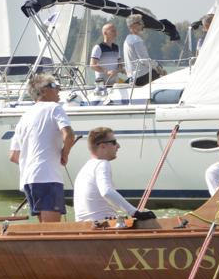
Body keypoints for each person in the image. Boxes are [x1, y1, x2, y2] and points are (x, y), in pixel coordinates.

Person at [8, 73, 76, 222]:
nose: (58, 89)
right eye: (54, 85)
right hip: (47, 178)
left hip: (28, 180)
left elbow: (13, 156)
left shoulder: (24, 116)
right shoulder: (54, 108)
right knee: (52, 231)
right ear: (43, 91)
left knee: (44, 229)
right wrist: (65, 154)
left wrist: (35, 162)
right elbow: (69, 135)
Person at [74, 127, 155, 225]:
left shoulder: (85, 168)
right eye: (114, 142)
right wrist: (135, 213)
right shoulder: (102, 164)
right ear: (102, 146)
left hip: (84, 226)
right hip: (102, 226)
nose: (118, 146)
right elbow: (107, 192)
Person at [123, 13, 163, 88]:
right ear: (133, 25)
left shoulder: (127, 40)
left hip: (132, 77)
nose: (142, 25)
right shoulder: (137, 40)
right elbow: (144, 60)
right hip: (141, 76)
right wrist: (157, 66)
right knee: (162, 76)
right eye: (140, 23)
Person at [90, 22, 123, 88]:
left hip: (115, 83)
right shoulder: (98, 47)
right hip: (102, 84)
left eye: (115, 31)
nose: (116, 33)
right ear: (105, 33)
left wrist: (118, 70)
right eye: (113, 31)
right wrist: (107, 72)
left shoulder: (116, 47)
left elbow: (120, 64)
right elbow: (92, 65)